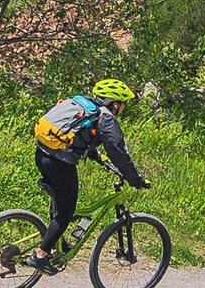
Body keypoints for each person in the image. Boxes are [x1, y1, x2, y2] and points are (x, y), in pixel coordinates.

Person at [32, 78, 149, 270]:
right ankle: (40, 255)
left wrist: (96, 156)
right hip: (59, 163)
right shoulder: (107, 119)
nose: (123, 109)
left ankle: (56, 242)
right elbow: (119, 153)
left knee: (61, 204)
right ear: (115, 104)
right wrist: (136, 180)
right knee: (66, 212)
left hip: (42, 154)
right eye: (124, 104)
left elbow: (81, 134)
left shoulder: (85, 105)